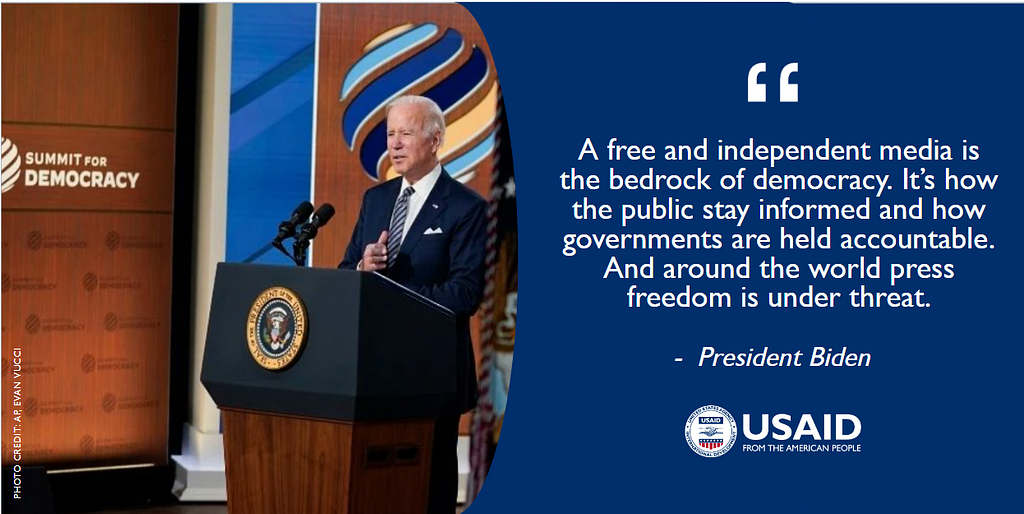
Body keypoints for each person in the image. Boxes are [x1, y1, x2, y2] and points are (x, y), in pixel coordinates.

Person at [338, 95, 486, 513]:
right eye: (390, 134)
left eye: (405, 133)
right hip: (374, 370)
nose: (395, 144)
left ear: (435, 139)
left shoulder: (467, 208)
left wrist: (393, 293)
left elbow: (464, 294)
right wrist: (362, 268)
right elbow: (347, 267)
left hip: (433, 373)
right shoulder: (376, 199)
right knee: (378, 487)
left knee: (428, 490)